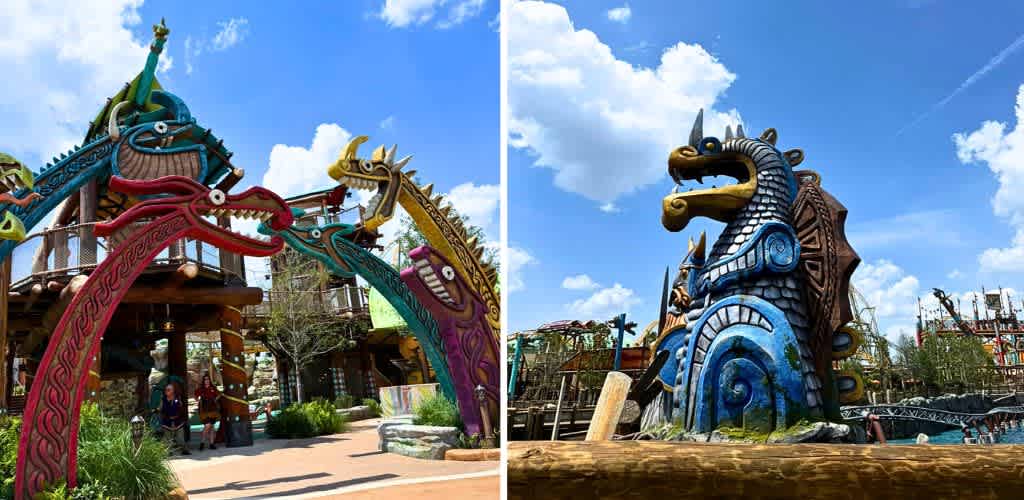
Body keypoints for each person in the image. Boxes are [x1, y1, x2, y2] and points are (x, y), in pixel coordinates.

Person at [160, 383, 190, 455]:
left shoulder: (178, 399)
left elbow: (181, 410)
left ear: (173, 391)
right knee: (167, 439)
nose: (166, 391)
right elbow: (160, 409)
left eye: (168, 390)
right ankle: (168, 452)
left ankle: (184, 450)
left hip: (178, 421)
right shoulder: (163, 399)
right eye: (166, 390)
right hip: (167, 422)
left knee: (180, 439)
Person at [194, 373, 221, 451]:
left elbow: (219, 394)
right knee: (207, 425)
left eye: (208, 379)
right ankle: (202, 442)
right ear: (203, 380)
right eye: (205, 379)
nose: (207, 381)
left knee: (211, 426)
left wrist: (215, 399)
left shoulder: (213, 388)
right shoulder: (201, 388)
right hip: (204, 409)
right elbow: (195, 396)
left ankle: (211, 444)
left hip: (213, 409)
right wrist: (198, 400)